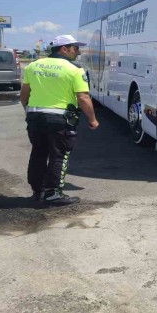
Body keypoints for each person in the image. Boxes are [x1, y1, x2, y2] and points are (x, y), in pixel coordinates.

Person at [20, 34, 99, 206]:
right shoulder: (74, 70)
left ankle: (38, 191)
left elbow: (24, 94)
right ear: (64, 49)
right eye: (75, 48)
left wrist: (28, 111)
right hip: (59, 119)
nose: (78, 52)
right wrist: (92, 119)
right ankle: (53, 193)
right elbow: (83, 97)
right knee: (59, 155)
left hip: (35, 117)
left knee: (38, 153)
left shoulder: (33, 66)